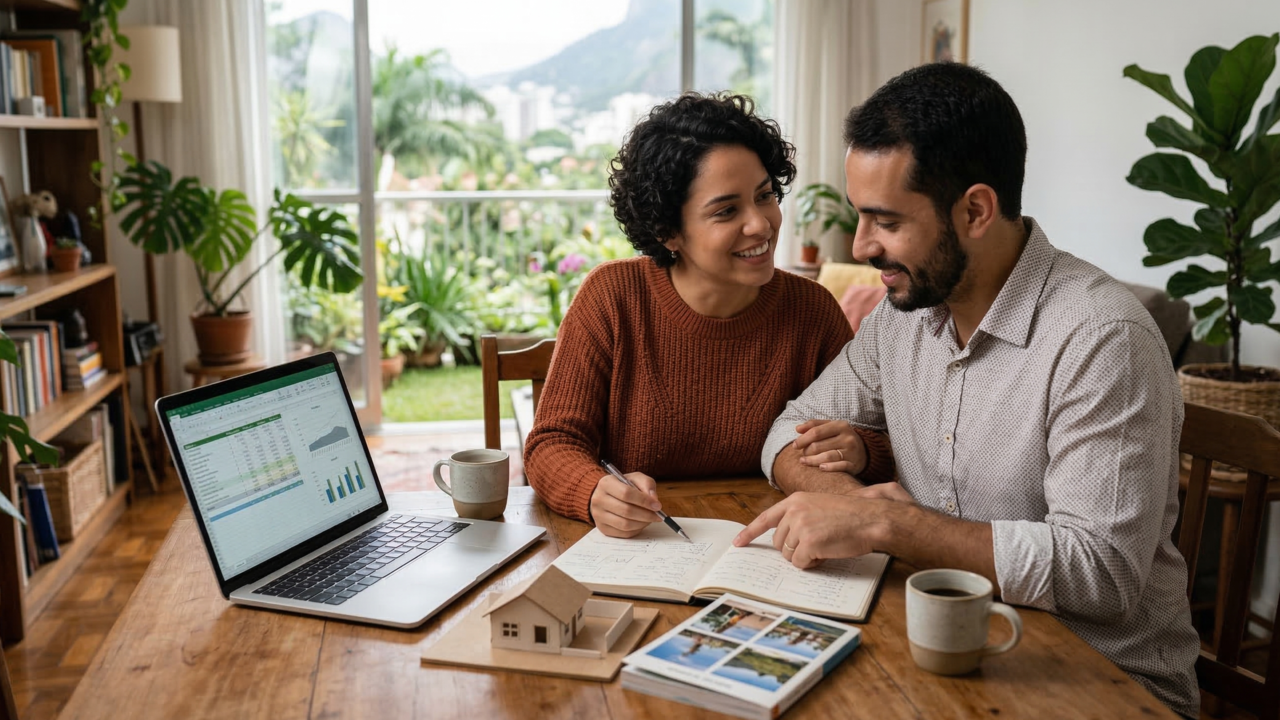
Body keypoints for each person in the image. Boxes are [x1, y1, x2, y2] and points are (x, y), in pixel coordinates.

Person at [735, 64, 1201, 718]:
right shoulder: (903, 318)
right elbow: (788, 431)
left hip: (1094, 683)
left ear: (975, 210)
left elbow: (1101, 573)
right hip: (946, 651)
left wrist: (887, 522)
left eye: (885, 220)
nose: (862, 244)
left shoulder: (1103, 338)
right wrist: (851, 503)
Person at [524, 93, 895, 538]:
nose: (759, 224)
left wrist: (862, 451)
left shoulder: (811, 310)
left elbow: (885, 438)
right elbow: (552, 443)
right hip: (642, 546)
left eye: (764, 196)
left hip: (771, 548)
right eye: (726, 211)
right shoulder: (613, 297)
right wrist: (594, 491)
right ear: (668, 232)